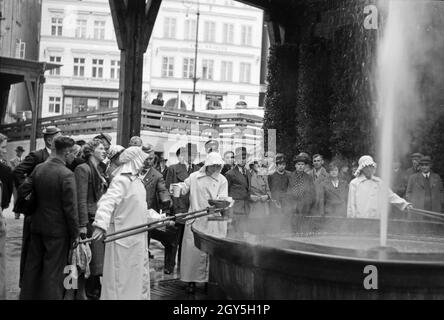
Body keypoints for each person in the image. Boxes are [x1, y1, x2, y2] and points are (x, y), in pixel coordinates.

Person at [91, 147, 161, 300]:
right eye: (142, 160)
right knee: (121, 281)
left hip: (137, 240)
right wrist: (100, 225)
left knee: (134, 280)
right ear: (134, 161)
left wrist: (159, 219)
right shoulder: (121, 180)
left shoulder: (137, 181)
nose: (145, 163)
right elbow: (108, 202)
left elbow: (139, 209)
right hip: (123, 240)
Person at [20, 136, 79, 300]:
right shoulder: (67, 174)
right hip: (58, 232)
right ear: (66, 153)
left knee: (32, 268)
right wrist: (75, 234)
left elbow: (25, 191)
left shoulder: (39, 168)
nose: (74, 157)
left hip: (37, 226)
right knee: (53, 272)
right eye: (73, 153)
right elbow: (70, 208)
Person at [13, 125, 61, 287]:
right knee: (29, 247)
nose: (61, 139)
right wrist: (29, 192)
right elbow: (18, 172)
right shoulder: (37, 156)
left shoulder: (60, 157)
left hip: (50, 212)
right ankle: (25, 284)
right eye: (58, 136)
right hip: (34, 211)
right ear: (49, 139)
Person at [178, 152, 228, 294]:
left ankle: (209, 281)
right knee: (192, 252)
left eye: (218, 165)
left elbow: (223, 197)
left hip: (214, 218)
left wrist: (219, 202)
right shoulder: (194, 177)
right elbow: (184, 187)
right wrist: (177, 188)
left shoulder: (222, 179)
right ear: (207, 164)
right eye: (213, 165)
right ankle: (190, 281)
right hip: (195, 217)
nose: (216, 168)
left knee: (211, 252)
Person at [74, 139, 108, 300]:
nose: (104, 151)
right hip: (88, 220)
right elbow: (80, 199)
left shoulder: (99, 169)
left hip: (97, 218)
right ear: (92, 151)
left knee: (96, 257)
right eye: (100, 148)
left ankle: (92, 286)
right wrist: (81, 225)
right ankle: (84, 290)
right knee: (86, 257)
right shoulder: (83, 169)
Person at [347, 155, 411, 219]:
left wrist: (405, 205)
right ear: (362, 168)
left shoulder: (379, 182)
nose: (369, 169)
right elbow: (351, 205)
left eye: (371, 166)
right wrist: (352, 221)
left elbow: (391, 196)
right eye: (366, 167)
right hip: (360, 221)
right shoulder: (354, 183)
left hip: (377, 220)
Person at [140, 148, 172, 273]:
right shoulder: (133, 170)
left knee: (144, 244)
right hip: (130, 213)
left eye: (151, 159)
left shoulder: (157, 175)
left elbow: (163, 190)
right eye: (146, 159)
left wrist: (166, 202)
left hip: (146, 214)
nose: (149, 162)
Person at [225, 147, 250, 234]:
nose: (242, 160)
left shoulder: (248, 172)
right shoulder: (230, 174)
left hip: (246, 208)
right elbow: (226, 193)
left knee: (244, 233)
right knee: (234, 234)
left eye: (244, 158)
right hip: (235, 209)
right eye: (240, 158)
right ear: (236, 159)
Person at [248, 158, 272, 234]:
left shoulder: (263, 176)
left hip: (263, 207)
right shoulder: (248, 176)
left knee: (264, 231)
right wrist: (250, 196)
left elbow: (268, 190)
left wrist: (267, 196)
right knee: (254, 231)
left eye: (260, 164)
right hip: (253, 207)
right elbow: (244, 191)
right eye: (256, 163)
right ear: (252, 165)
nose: (258, 165)